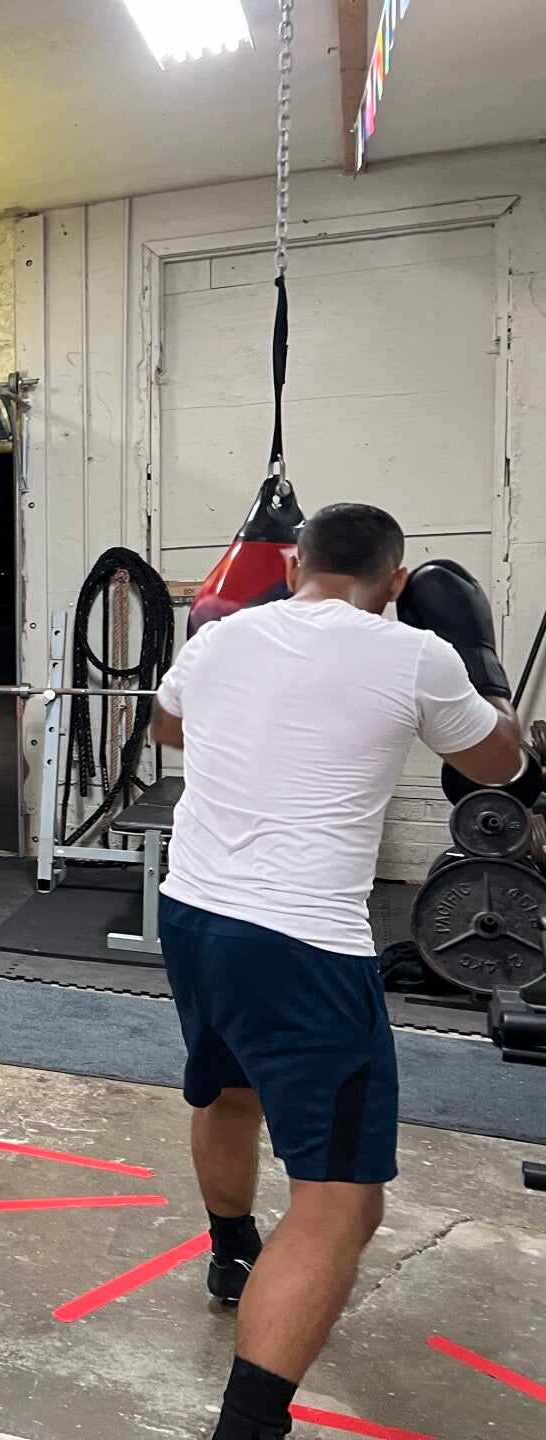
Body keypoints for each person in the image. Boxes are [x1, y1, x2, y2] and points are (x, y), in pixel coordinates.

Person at [150, 503, 527, 1440]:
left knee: (227, 1090)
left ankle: (233, 1253)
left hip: (191, 914)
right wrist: (482, 670)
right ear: (394, 583)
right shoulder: (416, 654)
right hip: (303, 945)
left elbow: (166, 728)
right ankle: (248, 1427)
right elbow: (498, 764)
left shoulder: (223, 635)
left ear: (291, 566)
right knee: (342, 1201)